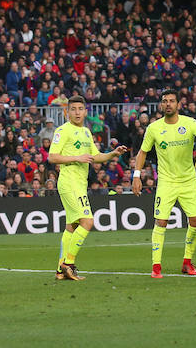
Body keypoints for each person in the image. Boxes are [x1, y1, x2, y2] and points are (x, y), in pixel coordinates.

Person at [133, 90, 196, 278]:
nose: (168, 104)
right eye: (165, 101)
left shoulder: (190, 123)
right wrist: (136, 175)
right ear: (161, 105)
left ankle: (187, 262)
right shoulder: (154, 128)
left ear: (178, 104)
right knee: (161, 221)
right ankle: (156, 267)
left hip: (188, 181)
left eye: (172, 101)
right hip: (166, 182)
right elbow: (142, 152)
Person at [48, 95, 128, 281]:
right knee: (87, 222)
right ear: (67, 112)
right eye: (73, 109)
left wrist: (112, 154)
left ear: (85, 112)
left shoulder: (85, 132)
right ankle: (68, 264)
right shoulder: (63, 131)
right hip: (69, 182)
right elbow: (52, 157)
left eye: (80, 109)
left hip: (79, 184)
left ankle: (60, 270)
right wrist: (77, 158)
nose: (77, 113)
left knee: (72, 226)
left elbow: (95, 156)